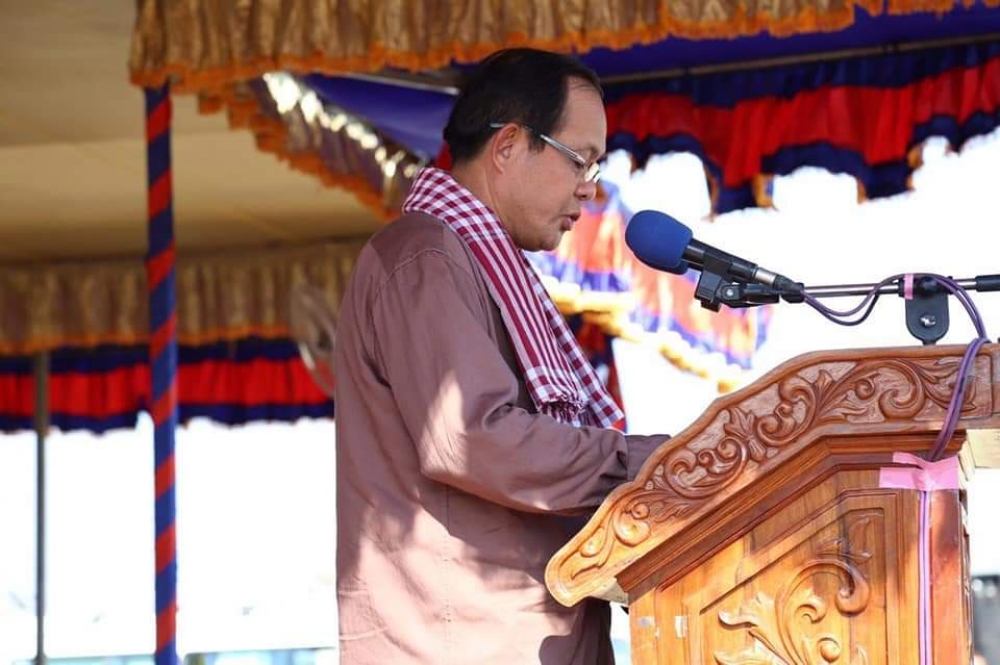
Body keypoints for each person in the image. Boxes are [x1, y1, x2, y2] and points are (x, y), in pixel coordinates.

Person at [334, 47, 666, 664]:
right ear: (509, 145)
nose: (590, 189)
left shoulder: (483, 263)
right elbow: (469, 438)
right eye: (580, 160)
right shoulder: (425, 256)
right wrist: (649, 463)